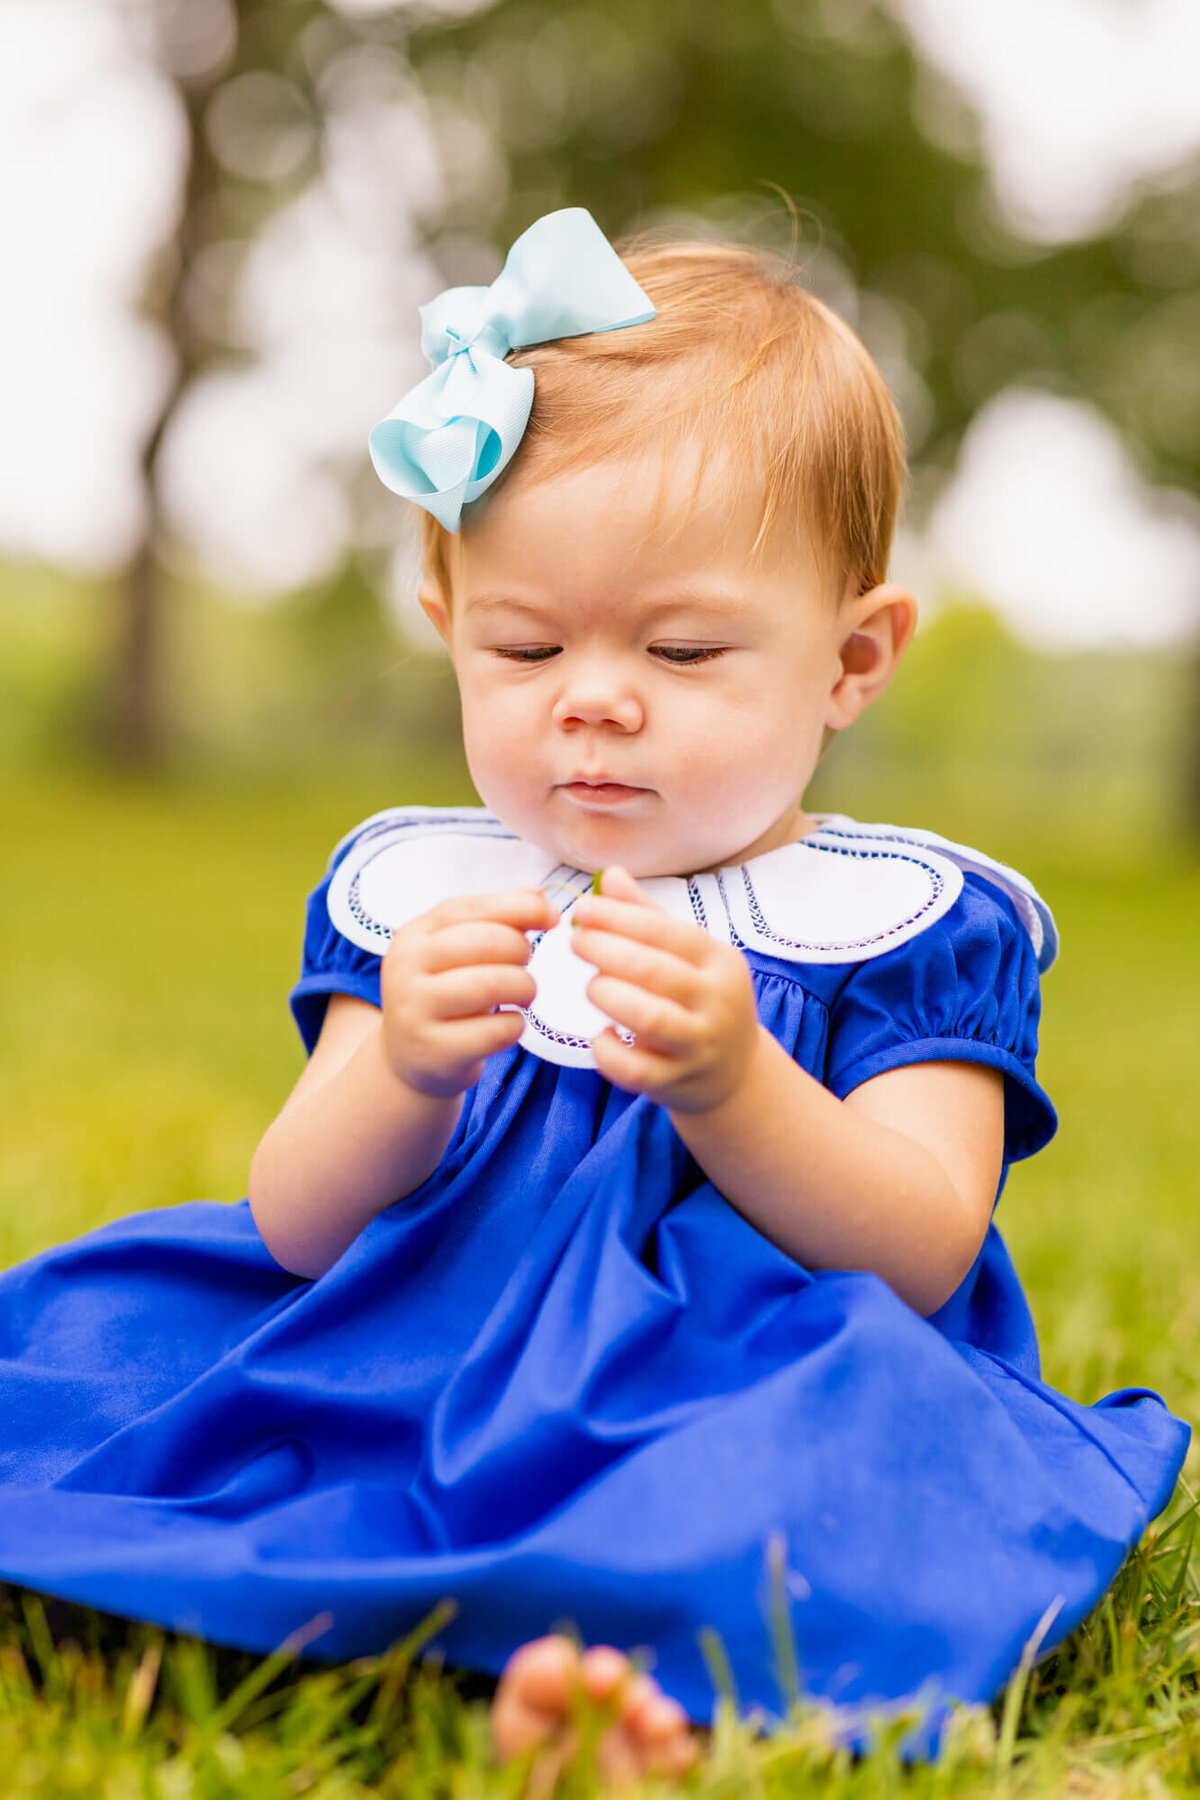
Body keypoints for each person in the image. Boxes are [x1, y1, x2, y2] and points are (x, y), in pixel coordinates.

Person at [0, 209, 1188, 1782]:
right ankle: (383, 1605)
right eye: (524, 642)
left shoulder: (903, 927)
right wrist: (401, 1070)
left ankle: (612, 1685)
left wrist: (738, 1084)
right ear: (447, 625)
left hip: (739, 1365)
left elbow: (920, 1245)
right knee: (130, 1361)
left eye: (687, 649)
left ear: (853, 659)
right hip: (424, 1341)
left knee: (820, 1472)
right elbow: (295, 1223)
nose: (596, 696)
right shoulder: (426, 891)